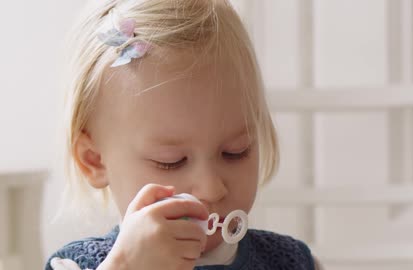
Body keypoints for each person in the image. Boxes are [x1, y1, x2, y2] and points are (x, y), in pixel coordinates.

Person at [45, 0, 323, 269]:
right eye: (171, 161)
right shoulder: (76, 265)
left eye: (235, 152)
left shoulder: (291, 262)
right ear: (94, 160)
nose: (211, 189)